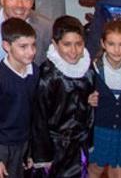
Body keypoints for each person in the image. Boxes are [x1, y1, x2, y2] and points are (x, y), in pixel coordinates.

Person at [29, 15, 95, 178]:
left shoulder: (88, 70)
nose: (73, 51)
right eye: (67, 44)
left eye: (78, 44)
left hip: (78, 145)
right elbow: (39, 118)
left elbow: (90, 110)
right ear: (55, 44)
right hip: (54, 148)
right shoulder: (49, 75)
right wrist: (43, 156)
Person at [0, 17, 39, 178]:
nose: (31, 51)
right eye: (23, 47)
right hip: (0, 147)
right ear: (6, 46)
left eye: (33, 45)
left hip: (22, 145)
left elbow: (34, 114)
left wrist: (31, 150)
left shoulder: (35, 72)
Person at [88, 19, 121, 178]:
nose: (117, 50)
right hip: (100, 128)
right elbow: (82, 96)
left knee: (119, 171)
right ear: (103, 44)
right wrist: (88, 99)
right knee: (96, 168)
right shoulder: (93, 70)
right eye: (111, 44)